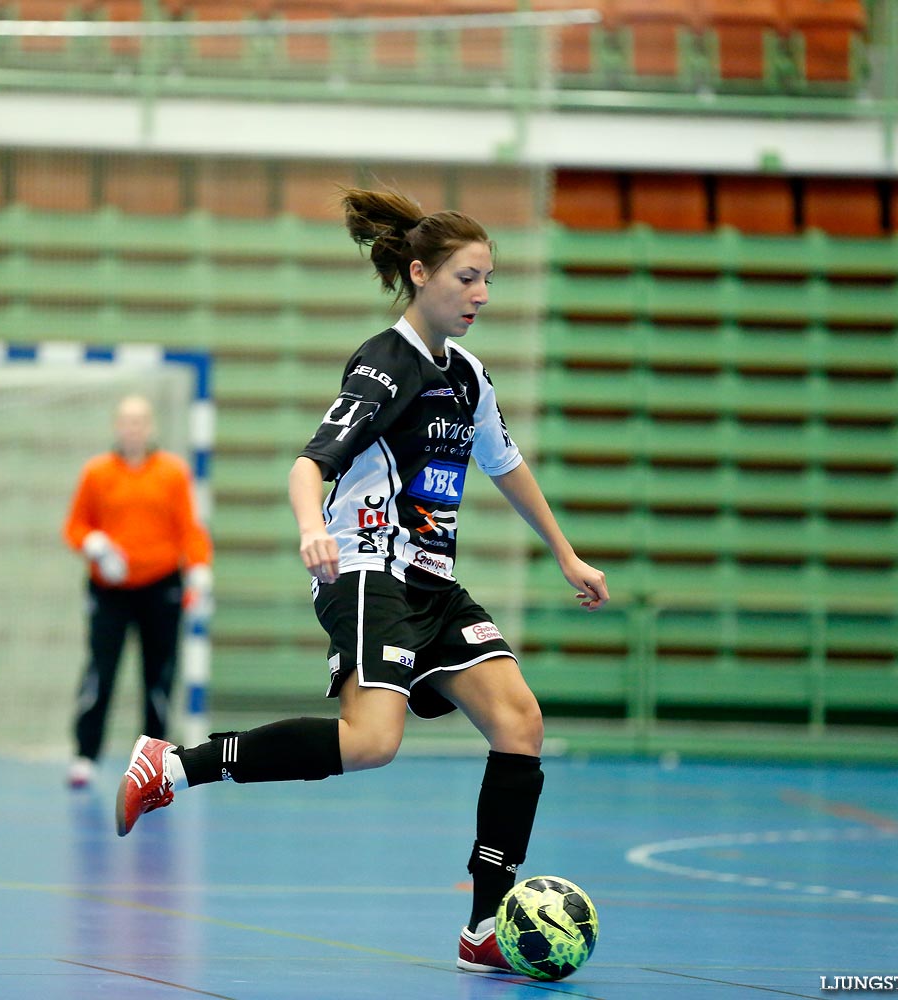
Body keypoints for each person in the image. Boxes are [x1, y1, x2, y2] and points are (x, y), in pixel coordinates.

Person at [111, 188, 610, 974]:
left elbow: (504, 464)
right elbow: (309, 464)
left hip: (432, 580)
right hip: (367, 571)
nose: (481, 295)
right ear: (420, 275)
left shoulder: (469, 376)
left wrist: (565, 553)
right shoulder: (386, 364)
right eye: (467, 279)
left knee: (520, 723)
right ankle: (172, 765)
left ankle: (484, 927)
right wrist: (314, 529)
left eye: (489, 280)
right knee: (371, 743)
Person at [63, 394, 213, 789]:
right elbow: (75, 526)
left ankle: (156, 763)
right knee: (101, 670)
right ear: (117, 426)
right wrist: (95, 544)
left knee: (159, 677)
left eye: (140, 421)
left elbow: (189, 529)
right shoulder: (96, 474)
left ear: (150, 427)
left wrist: (198, 570)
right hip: (109, 591)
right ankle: (85, 755)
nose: (133, 428)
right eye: (126, 421)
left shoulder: (172, 473)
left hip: (161, 587)